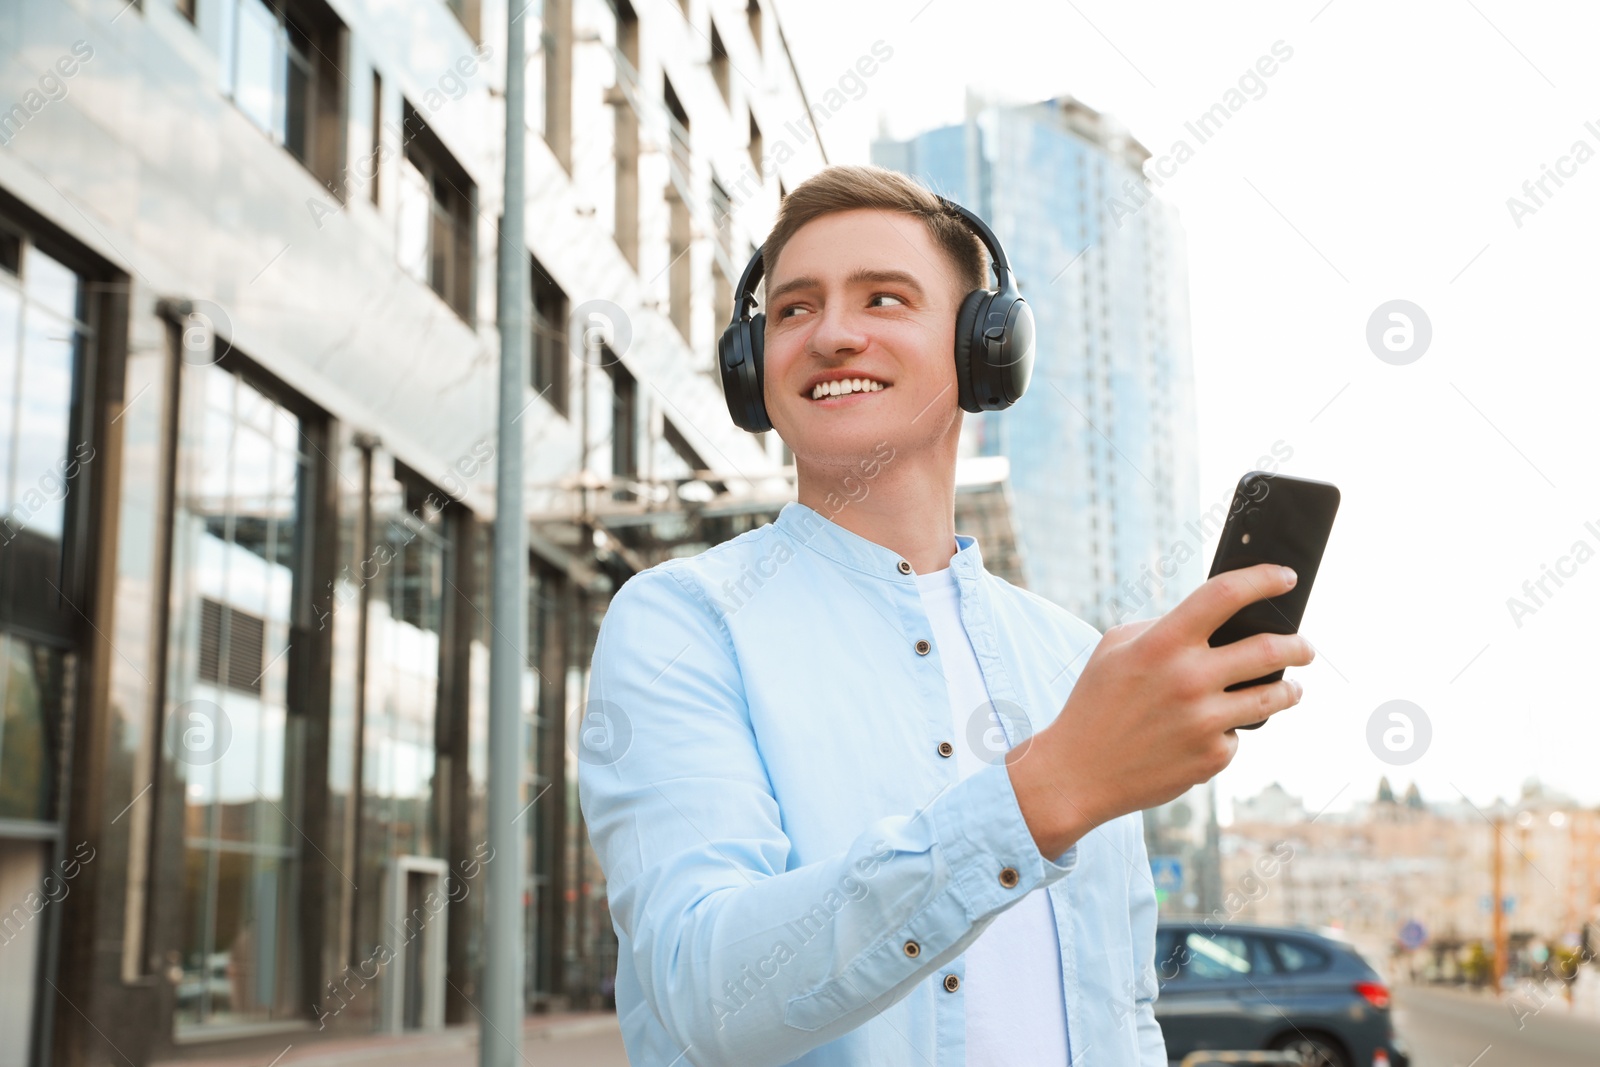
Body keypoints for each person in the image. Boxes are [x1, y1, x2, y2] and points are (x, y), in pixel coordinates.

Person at [577, 164, 1313, 1066]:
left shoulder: (1075, 658)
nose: (833, 334)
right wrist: (1050, 788)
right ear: (750, 367)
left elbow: (1126, 1010)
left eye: (883, 299)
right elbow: (708, 989)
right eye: (796, 308)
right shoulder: (680, 622)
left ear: (982, 350)